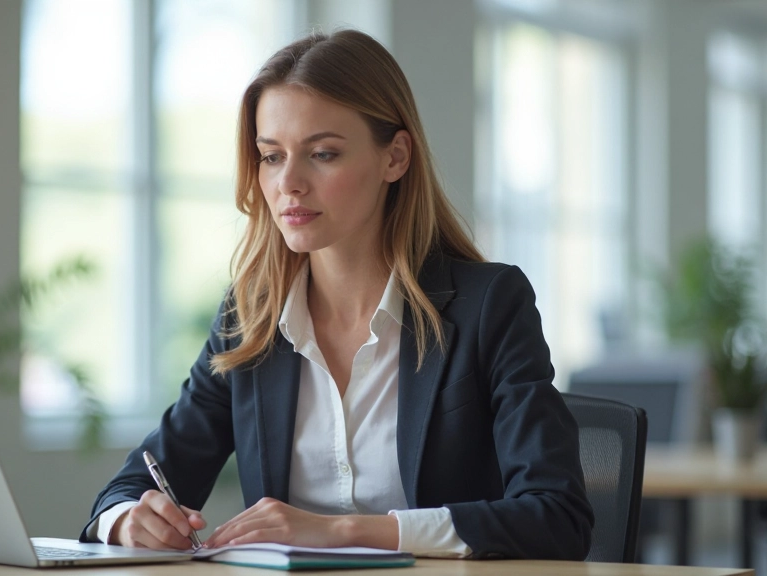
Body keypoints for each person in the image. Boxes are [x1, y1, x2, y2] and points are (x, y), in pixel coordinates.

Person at [79, 29, 593, 560]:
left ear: (395, 158)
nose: (290, 184)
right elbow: (120, 495)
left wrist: (343, 530)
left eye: (322, 153)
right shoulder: (251, 314)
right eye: (271, 156)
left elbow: (557, 517)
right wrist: (128, 522)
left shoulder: (489, 305)